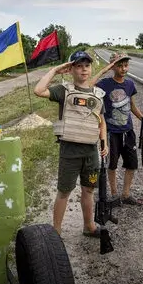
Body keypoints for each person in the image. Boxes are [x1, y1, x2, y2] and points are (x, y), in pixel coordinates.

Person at [33, 50, 109, 238]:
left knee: (89, 190)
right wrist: (55, 70)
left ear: (91, 69)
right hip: (70, 152)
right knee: (64, 192)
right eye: (79, 66)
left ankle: (89, 226)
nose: (84, 70)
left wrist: (104, 141)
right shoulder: (63, 90)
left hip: (91, 152)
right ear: (71, 69)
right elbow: (39, 90)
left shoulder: (98, 94)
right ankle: (56, 233)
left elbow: (101, 120)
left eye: (87, 66)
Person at [90, 51, 143, 206]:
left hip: (128, 131)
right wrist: (104, 70)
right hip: (111, 132)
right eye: (119, 66)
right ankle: (114, 195)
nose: (123, 68)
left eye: (126, 65)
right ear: (113, 67)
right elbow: (89, 85)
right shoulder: (105, 84)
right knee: (112, 164)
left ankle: (126, 194)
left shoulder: (130, 84)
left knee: (132, 164)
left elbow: (132, 105)